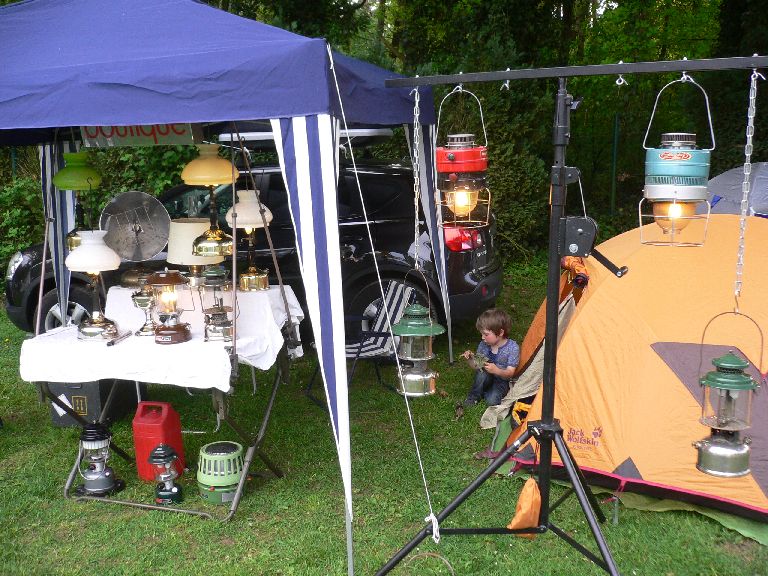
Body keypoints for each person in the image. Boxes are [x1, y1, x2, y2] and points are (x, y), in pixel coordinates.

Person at [462, 308, 519, 407]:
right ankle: (474, 396)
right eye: (481, 334)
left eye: (486, 334)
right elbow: (477, 366)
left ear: (500, 333)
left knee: (491, 401)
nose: (482, 337)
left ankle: (488, 392)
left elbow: (510, 373)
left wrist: (497, 370)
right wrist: (470, 359)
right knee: (481, 374)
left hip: (502, 380)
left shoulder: (512, 348)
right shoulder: (483, 344)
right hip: (486, 376)